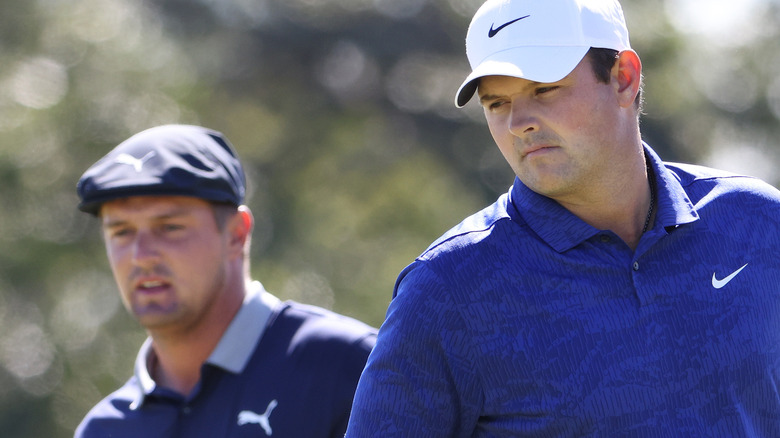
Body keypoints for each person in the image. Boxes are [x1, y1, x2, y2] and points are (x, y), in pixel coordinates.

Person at [346, 0, 780, 436]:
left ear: (623, 79)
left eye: (544, 90)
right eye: (497, 103)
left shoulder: (757, 223)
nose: (518, 123)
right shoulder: (447, 289)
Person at [73, 124, 377, 438]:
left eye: (169, 227)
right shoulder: (104, 429)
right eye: (121, 231)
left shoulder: (348, 367)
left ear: (237, 234)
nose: (141, 255)